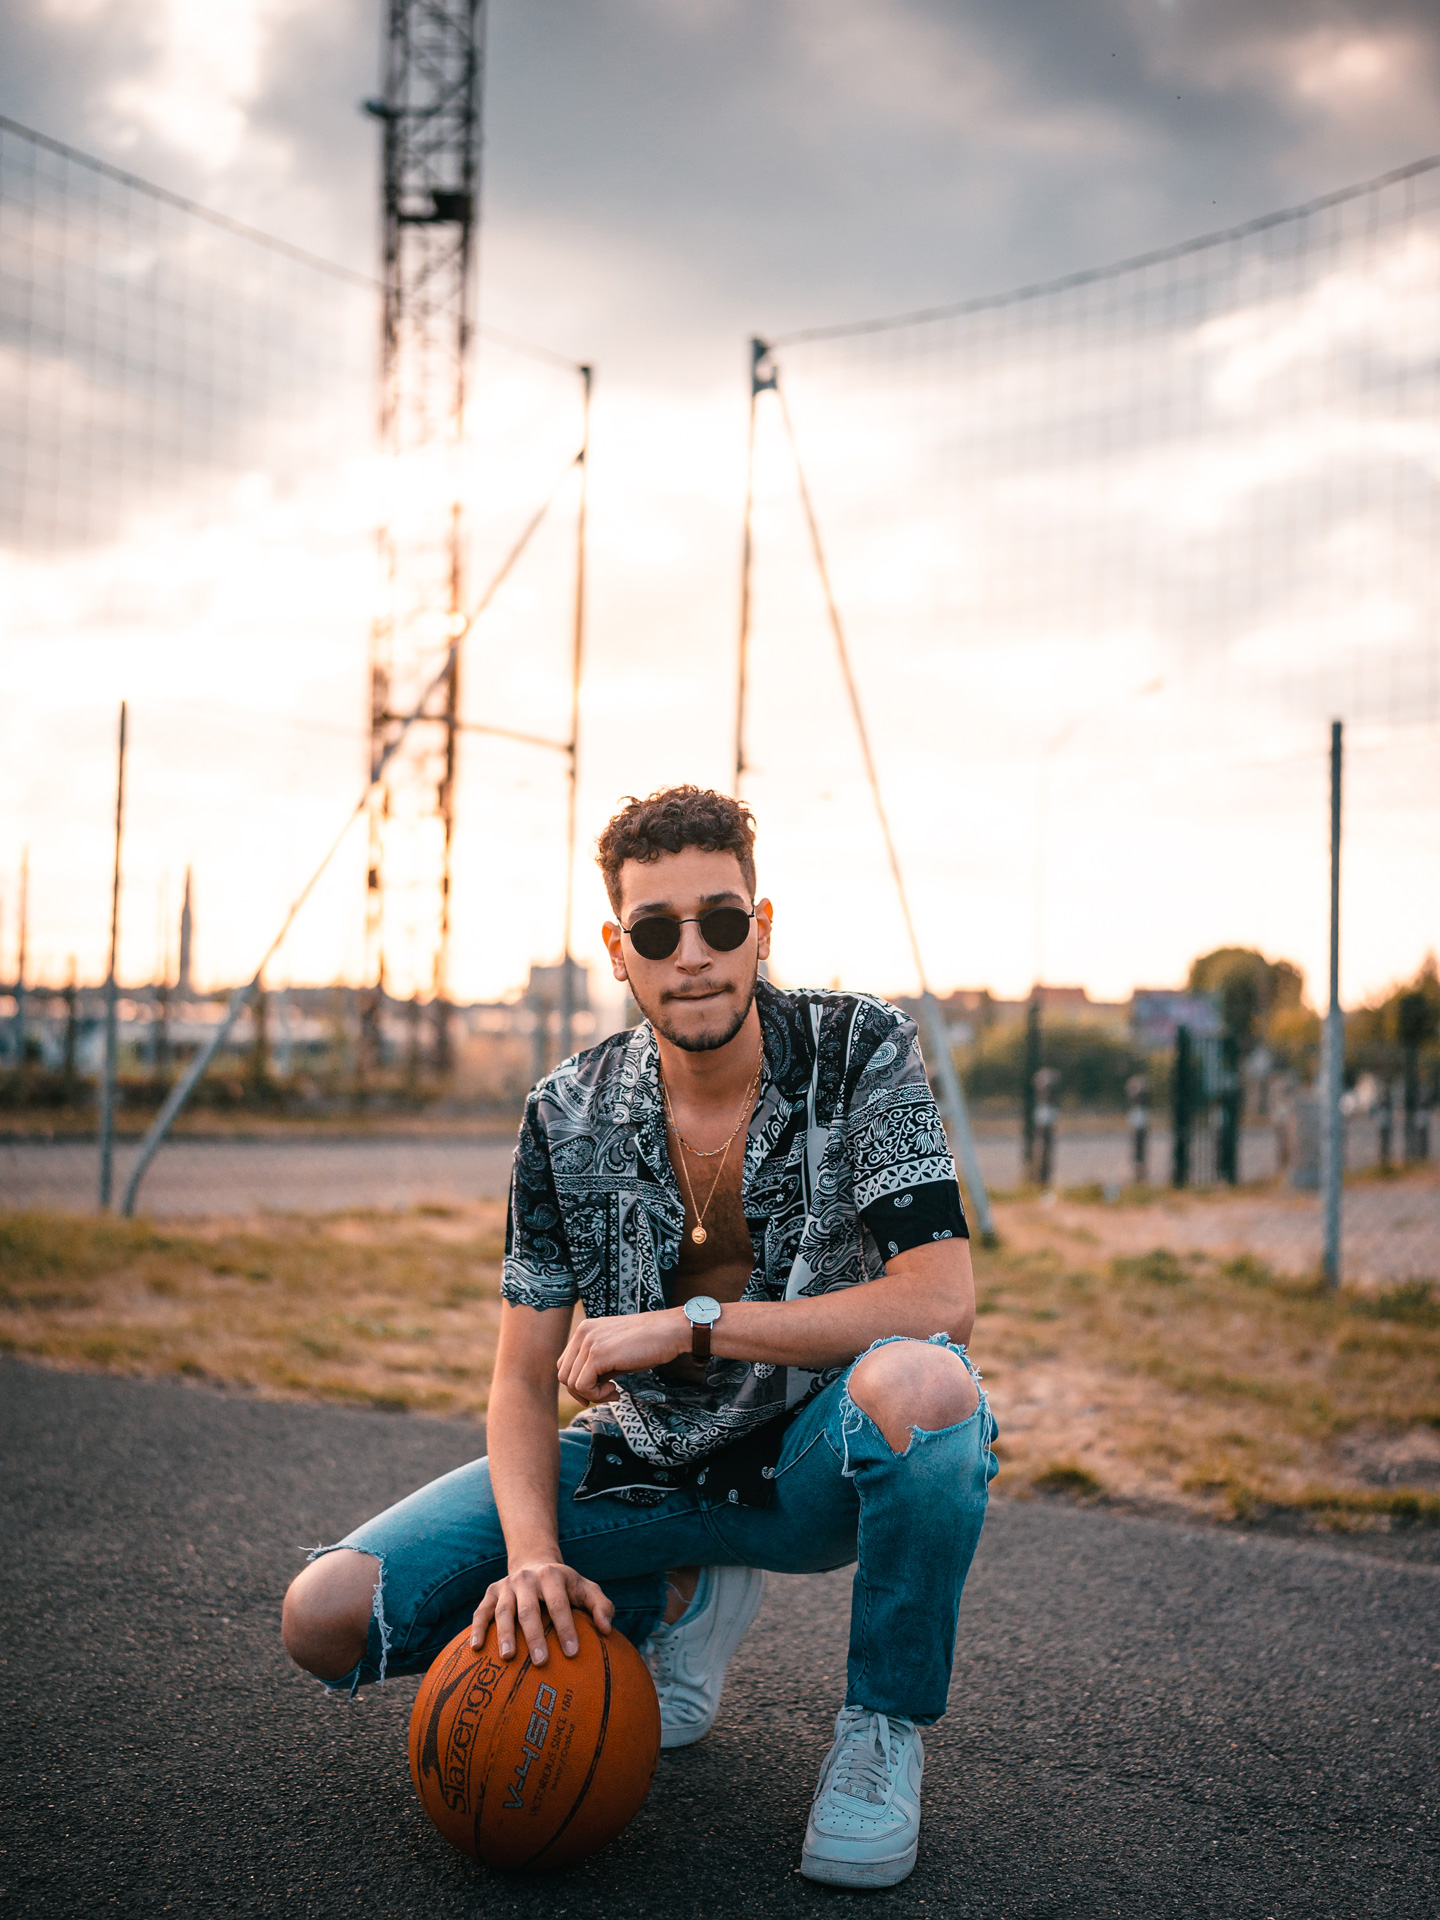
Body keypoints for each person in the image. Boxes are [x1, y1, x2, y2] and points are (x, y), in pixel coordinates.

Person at [282, 785, 996, 1889]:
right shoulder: (562, 1113)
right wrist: (530, 1565)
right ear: (620, 952)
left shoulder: (863, 1051)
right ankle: (678, 1593)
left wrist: (690, 1328)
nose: (694, 956)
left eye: (722, 921)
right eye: (658, 931)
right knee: (325, 1617)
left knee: (928, 1386)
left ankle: (880, 1732)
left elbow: (941, 1300)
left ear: (763, 928)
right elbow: (523, 1379)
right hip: (644, 1473)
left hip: (809, 1470)